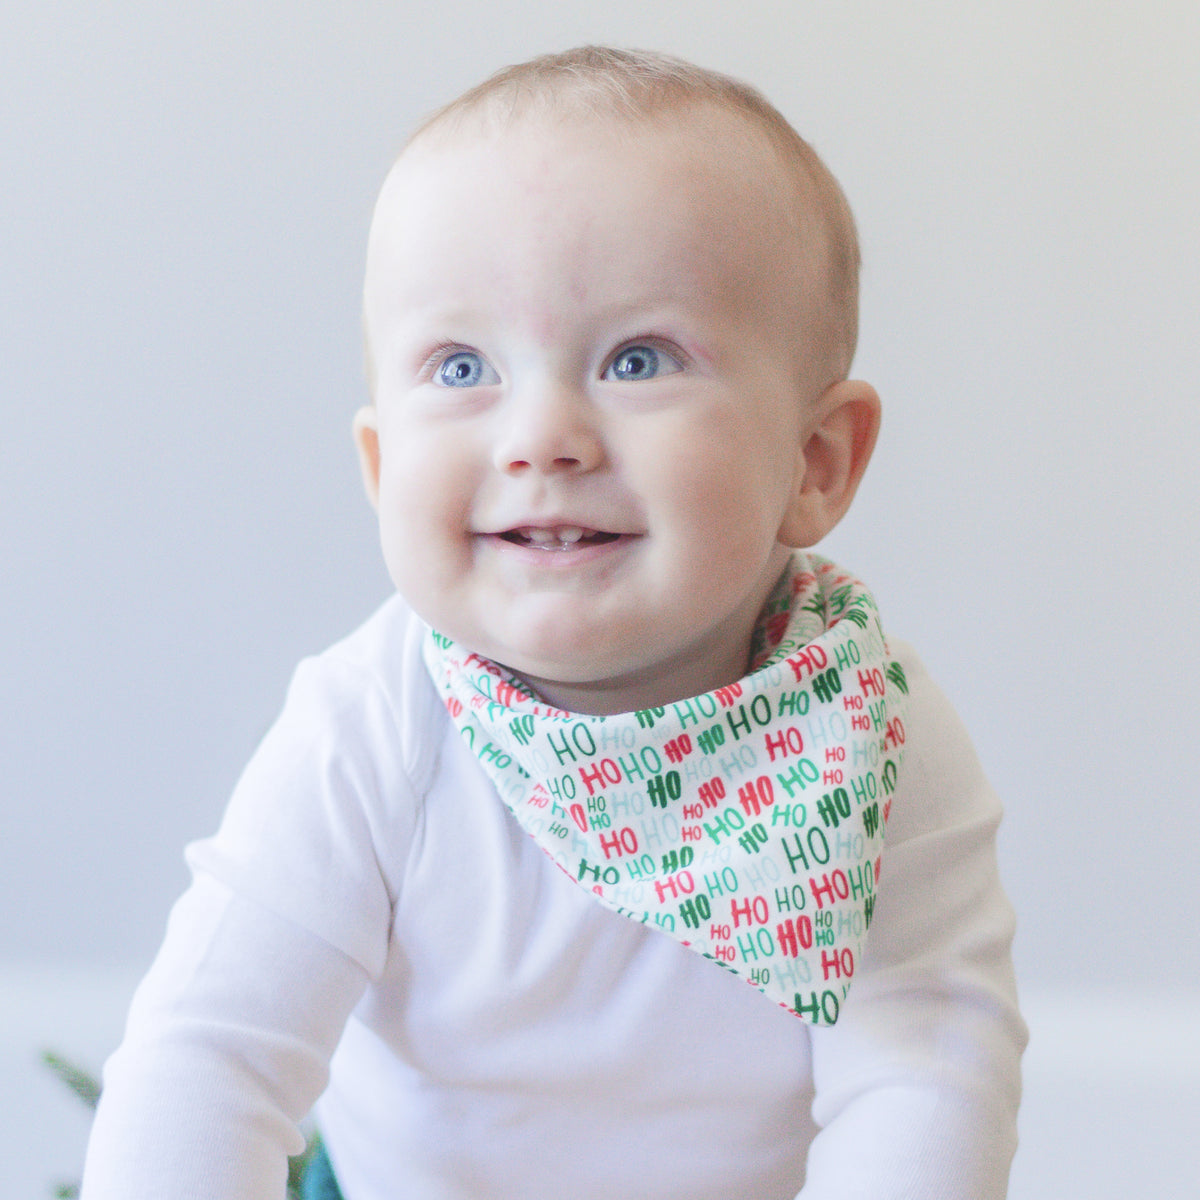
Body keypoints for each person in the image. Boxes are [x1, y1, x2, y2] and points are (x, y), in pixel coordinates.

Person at [80, 45, 1025, 1200]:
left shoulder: (867, 734)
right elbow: (208, 1058)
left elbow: (924, 1073)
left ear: (815, 463)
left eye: (638, 358)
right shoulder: (374, 726)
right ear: (381, 467)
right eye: (462, 364)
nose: (542, 435)